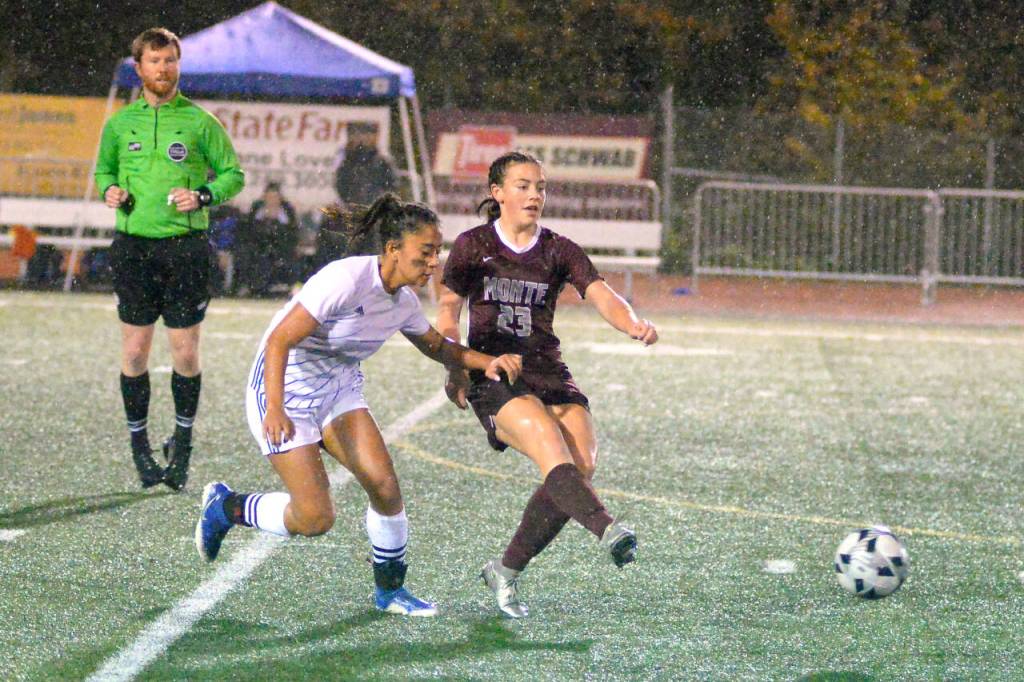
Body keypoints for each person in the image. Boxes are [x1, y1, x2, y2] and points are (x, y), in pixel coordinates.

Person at [195, 194, 522, 617]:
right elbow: (279, 340)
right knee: (315, 519)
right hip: (285, 389)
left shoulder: (403, 302)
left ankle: (391, 592)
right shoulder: (345, 280)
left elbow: (438, 347)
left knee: (385, 488)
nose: (433, 263)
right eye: (425, 252)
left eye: (436, 252)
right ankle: (225, 507)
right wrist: (274, 407)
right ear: (392, 249)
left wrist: (487, 362)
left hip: (338, 388)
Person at [436, 151, 659, 619]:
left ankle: (506, 569)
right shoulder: (472, 245)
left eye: (540, 186)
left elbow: (601, 293)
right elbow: (447, 311)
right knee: (548, 444)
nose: (534, 195)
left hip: (547, 368)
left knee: (581, 463)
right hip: (495, 372)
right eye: (522, 185)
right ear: (497, 193)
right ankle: (607, 529)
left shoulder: (558, 248)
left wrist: (633, 322)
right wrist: (456, 368)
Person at [95, 27, 245, 492]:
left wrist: (203, 194)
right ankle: (139, 445)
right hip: (134, 249)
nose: (164, 69)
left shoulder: (200, 122)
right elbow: (103, 170)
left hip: (185, 251)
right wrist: (110, 190)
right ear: (138, 68)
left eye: (171, 61)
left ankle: (183, 442)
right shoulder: (120, 124)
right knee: (136, 352)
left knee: (184, 353)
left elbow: (233, 176)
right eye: (155, 61)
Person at [320, 122, 398, 263]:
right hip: (354, 213)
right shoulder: (349, 160)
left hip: (375, 215)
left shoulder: (382, 161)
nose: (364, 139)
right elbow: (340, 184)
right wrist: (351, 202)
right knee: (351, 252)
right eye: (361, 135)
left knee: (374, 253)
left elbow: (391, 186)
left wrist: (379, 205)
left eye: (369, 135)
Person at [234, 182, 299, 297]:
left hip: (281, 249)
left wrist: (277, 226)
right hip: (258, 248)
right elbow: (248, 232)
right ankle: (250, 287)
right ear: (264, 198)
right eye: (269, 197)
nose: (272, 201)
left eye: (275, 197)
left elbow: (292, 236)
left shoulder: (287, 214)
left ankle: (282, 287)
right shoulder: (256, 211)